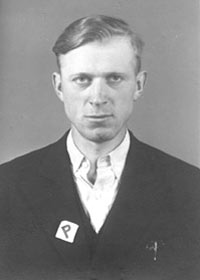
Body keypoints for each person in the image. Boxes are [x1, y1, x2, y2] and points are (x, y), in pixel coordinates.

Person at [0, 15, 200, 280]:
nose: (97, 98)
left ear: (138, 85)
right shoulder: (8, 185)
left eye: (114, 78)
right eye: (82, 79)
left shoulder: (190, 188)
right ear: (59, 86)